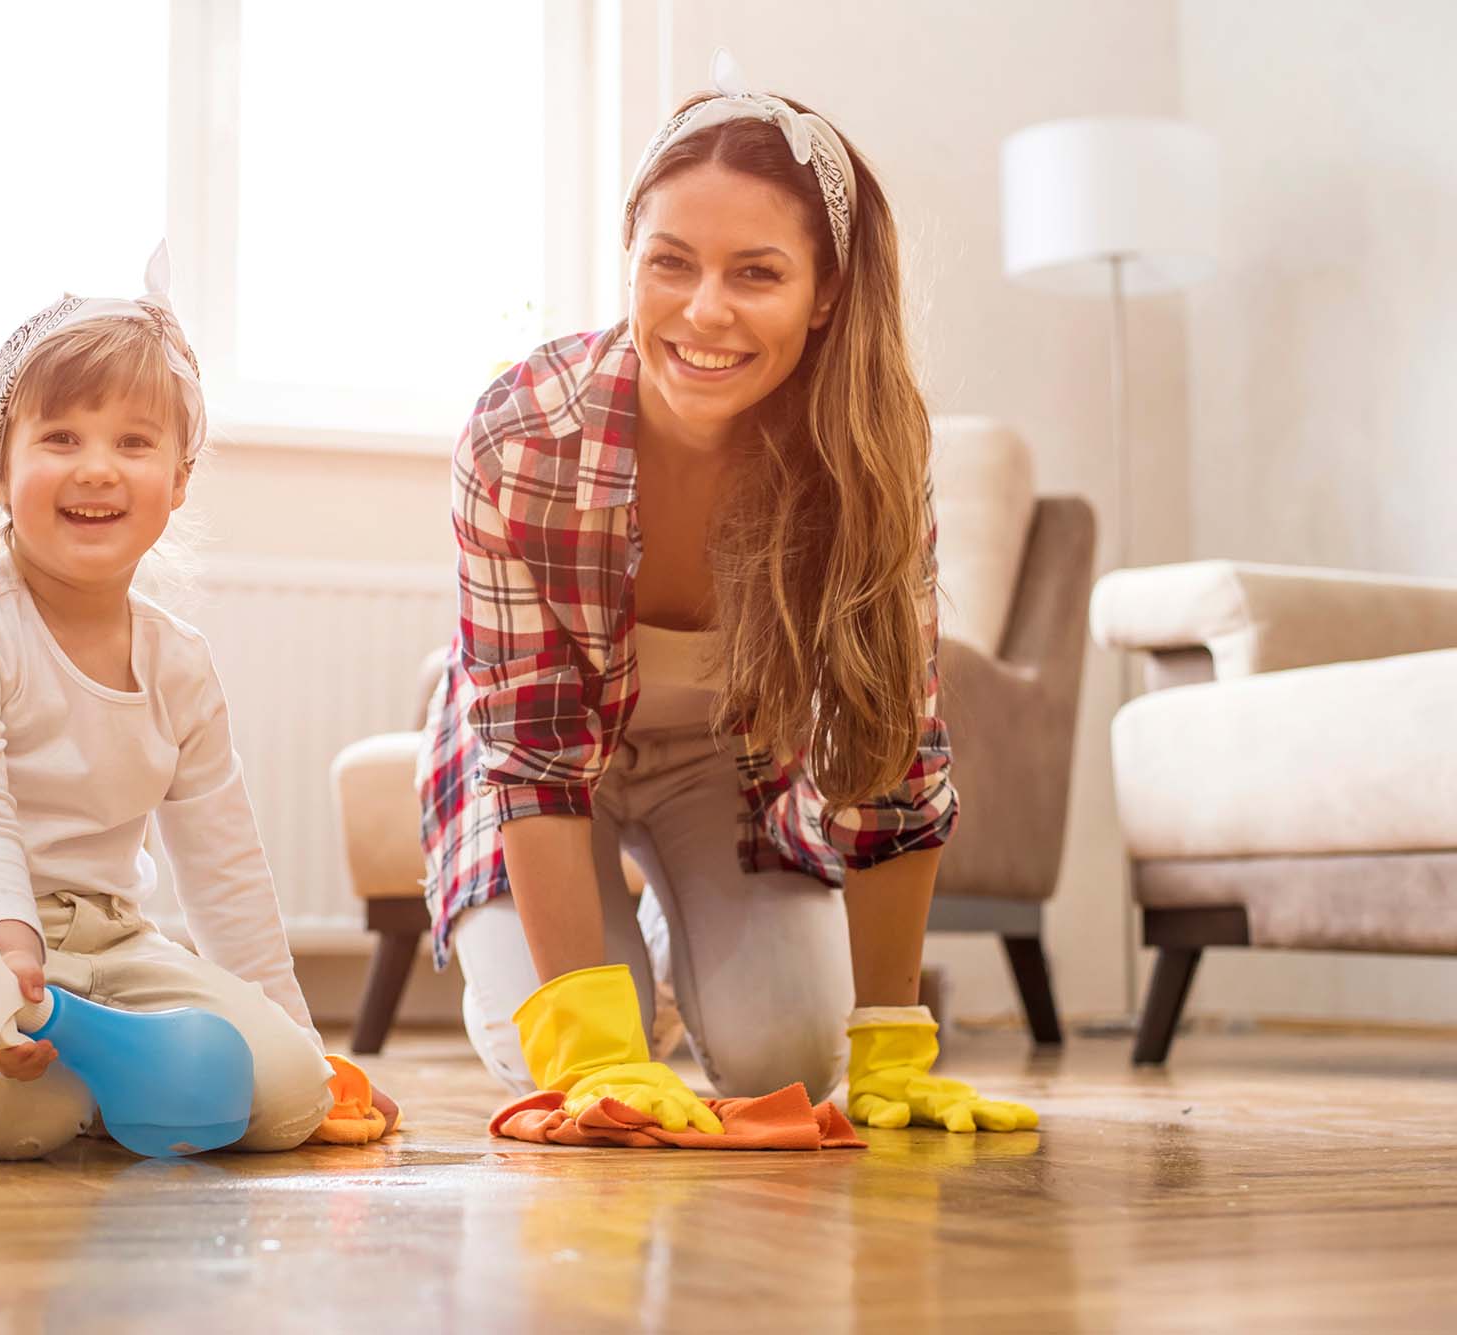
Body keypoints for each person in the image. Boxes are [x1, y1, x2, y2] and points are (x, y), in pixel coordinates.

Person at [420, 53, 1036, 1136]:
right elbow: (532, 757)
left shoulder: (866, 463)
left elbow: (894, 750)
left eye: (755, 273)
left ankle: (675, 936)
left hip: (728, 761)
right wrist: (595, 1047)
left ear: (823, 290)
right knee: (545, 1045)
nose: (703, 313)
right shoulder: (522, 439)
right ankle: (615, 974)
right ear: (627, 260)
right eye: (670, 265)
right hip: (546, 764)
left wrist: (889, 1034)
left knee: (784, 1057)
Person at [0, 247, 395, 1159]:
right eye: (60, 438)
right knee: (12, 1113)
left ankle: (99, 1080)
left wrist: (299, 1041)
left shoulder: (179, 666)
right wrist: (7, 943)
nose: (97, 469)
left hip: (111, 940)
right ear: (2, 469)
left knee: (288, 1097)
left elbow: (224, 867)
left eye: (134, 443)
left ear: (178, 482)